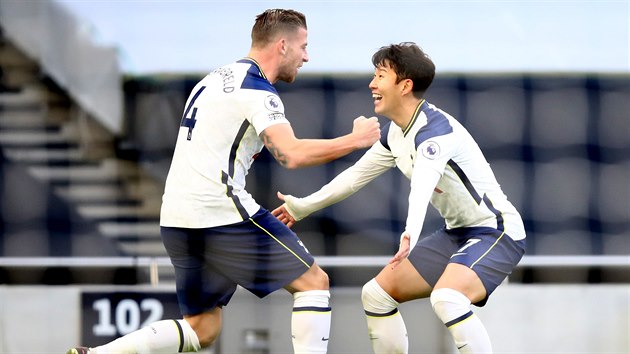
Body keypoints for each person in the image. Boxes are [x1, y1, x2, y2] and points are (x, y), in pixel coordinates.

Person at [67, 9, 380, 354]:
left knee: (203, 329)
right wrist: (354, 140)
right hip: (219, 213)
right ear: (282, 45)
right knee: (314, 282)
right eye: (303, 46)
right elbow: (290, 154)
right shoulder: (258, 91)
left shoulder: (215, 77)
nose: (307, 56)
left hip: (176, 218)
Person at [272, 42, 526, 354]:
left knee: (447, 298)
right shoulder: (396, 132)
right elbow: (355, 177)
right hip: (457, 233)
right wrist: (304, 206)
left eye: (380, 76)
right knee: (376, 295)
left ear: (405, 86)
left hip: (497, 231)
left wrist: (410, 233)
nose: (372, 84)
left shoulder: (435, 132)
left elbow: (422, 184)